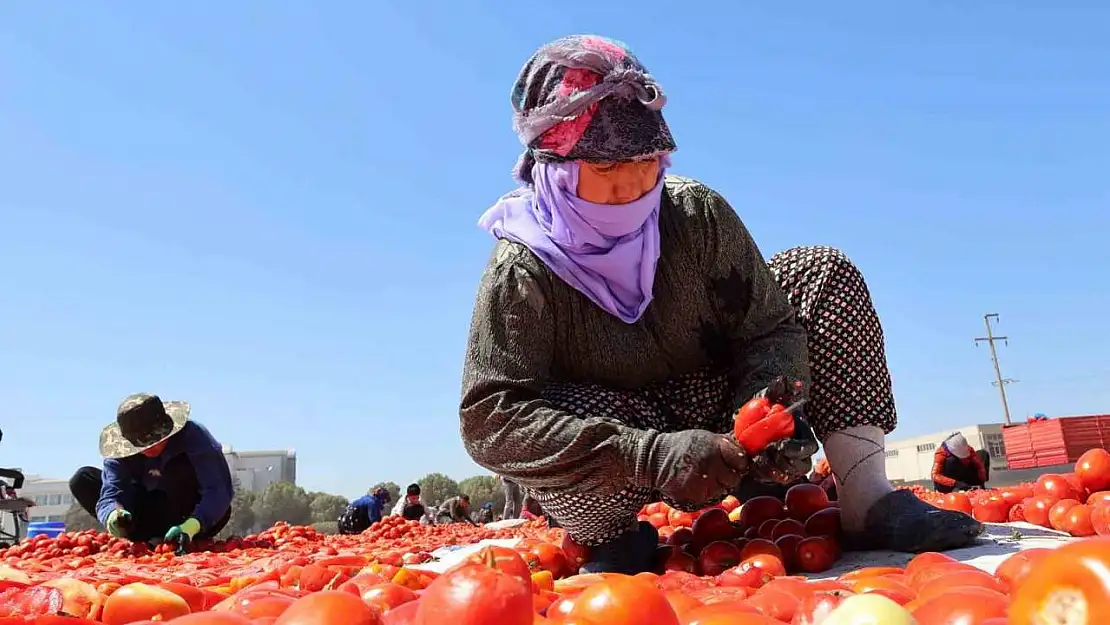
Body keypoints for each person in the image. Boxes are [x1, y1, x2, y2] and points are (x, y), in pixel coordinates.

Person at [459, 35, 982, 574]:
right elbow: (488, 418)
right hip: (619, 437)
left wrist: (769, 408)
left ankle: (866, 500)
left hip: (719, 403)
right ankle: (610, 537)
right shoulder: (521, 272)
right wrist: (650, 454)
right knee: (552, 417)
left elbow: (769, 325)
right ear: (557, 165)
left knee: (820, 272)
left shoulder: (694, 214)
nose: (635, 188)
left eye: (646, 162)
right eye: (608, 172)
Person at [69, 394, 234, 545]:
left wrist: (192, 525)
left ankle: (183, 535)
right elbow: (110, 494)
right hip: (147, 514)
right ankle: (145, 538)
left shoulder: (194, 436)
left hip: (192, 514)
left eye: (155, 439)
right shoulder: (119, 452)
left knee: (178, 471)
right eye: (140, 443)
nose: (149, 448)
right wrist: (114, 514)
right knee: (83, 479)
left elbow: (217, 490)